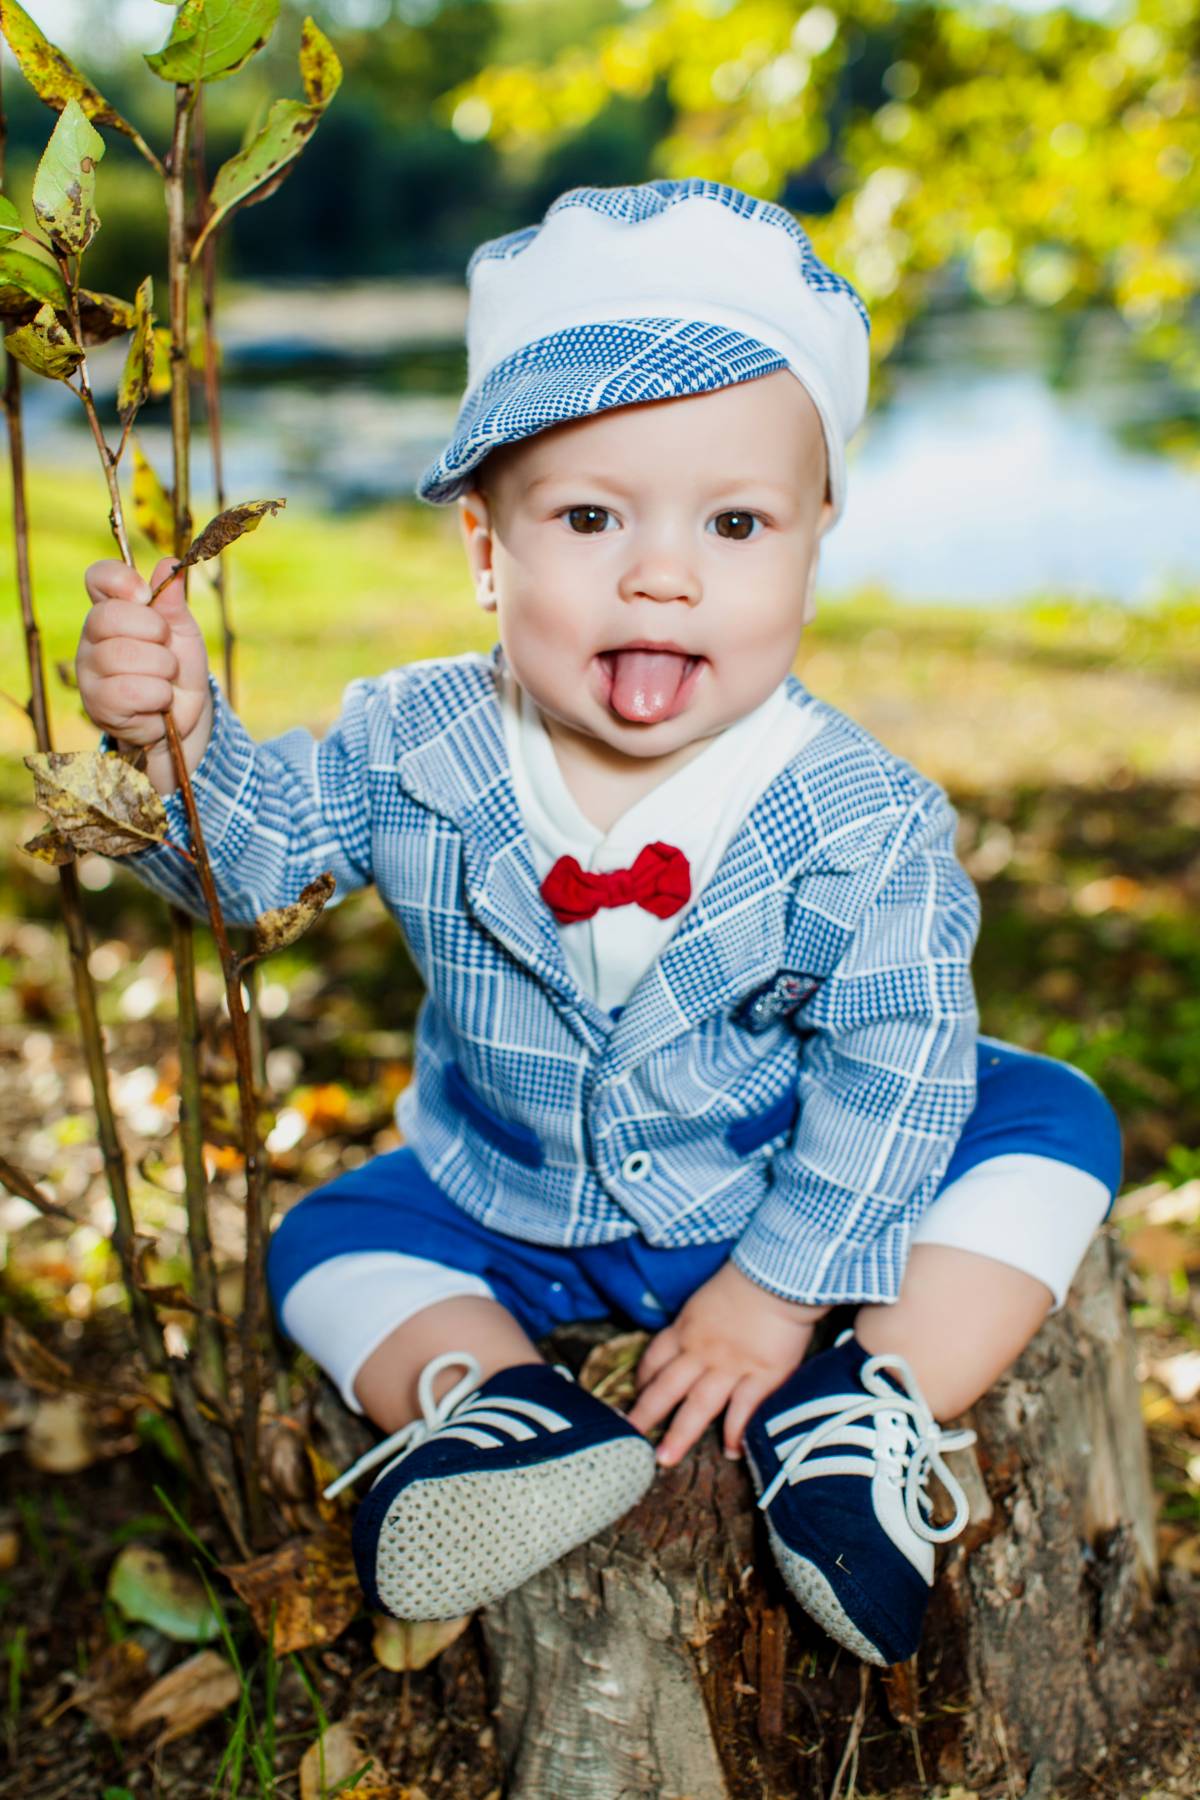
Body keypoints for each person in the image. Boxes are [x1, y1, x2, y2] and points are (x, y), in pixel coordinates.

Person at [77, 180, 1122, 1667]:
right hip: (515, 1206)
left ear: (813, 547)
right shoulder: (416, 743)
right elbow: (258, 868)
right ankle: (500, 1408)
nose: (661, 570)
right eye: (586, 515)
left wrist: (776, 1293)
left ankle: (862, 1400)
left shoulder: (862, 819)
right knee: (328, 1242)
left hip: (779, 1193)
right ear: (483, 548)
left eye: (737, 521)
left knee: (1050, 1124)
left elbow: (896, 1066)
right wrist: (176, 743)